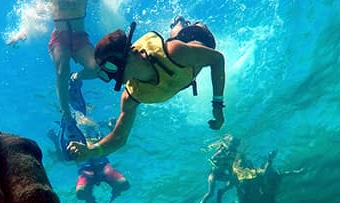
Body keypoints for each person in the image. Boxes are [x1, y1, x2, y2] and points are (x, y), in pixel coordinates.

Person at [67, 18, 226, 162]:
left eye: (110, 67)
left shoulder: (175, 52)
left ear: (130, 54)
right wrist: (91, 151)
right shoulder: (131, 97)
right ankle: (177, 24)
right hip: (178, 56)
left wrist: (217, 106)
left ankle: (185, 24)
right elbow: (119, 138)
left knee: (196, 31)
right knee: (176, 36)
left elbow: (217, 59)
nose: (111, 76)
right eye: (104, 72)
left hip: (198, 38)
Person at [7, 0, 99, 118]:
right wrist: (21, 33)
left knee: (97, 68)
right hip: (59, 38)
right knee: (62, 71)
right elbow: (35, 13)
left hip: (80, 37)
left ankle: (75, 78)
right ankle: (66, 114)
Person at [48, 114, 130, 203]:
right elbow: (64, 158)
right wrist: (55, 141)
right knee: (80, 193)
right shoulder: (72, 140)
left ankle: (113, 195)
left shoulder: (96, 134)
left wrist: (112, 128)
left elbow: (110, 145)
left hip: (104, 166)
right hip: (85, 170)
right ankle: (91, 199)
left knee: (124, 184)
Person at [221, 150, 303, 203]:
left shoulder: (255, 172)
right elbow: (226, 185)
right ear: (236, 164)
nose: (245, 164)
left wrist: (270, 160)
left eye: (246, 162)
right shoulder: (235, 176)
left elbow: (264, 172)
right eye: (242, 162)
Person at [193, 134, 240, 203]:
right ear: (229, 143)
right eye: (232, 144)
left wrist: (232, 176)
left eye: (235, 145)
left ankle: (220, 194)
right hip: (214, 174)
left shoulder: (234, 154)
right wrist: (217, 164)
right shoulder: (222, 149)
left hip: (222, 174)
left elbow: (230, 168)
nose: (233, 146)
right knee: (210, 192)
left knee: (236, 182)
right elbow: (211, 159)